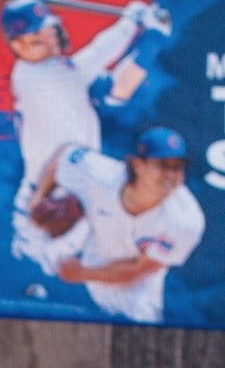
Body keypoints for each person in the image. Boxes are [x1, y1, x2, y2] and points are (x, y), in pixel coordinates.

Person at [0, 0, 165, 275]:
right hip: (45, 204)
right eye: (35, 37)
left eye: (47, 31)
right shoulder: (35, 77)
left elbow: (118, 86)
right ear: (17, 46)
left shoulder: (61, 72)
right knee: (40, 274)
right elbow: (97, 56)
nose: (47, 40)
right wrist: (132, 25)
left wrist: (148, 35)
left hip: (79, 198)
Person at [33, 125, 205, 323]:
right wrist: (37, 199)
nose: (171, 175)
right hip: (86, 262)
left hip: (135, 295)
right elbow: (65, 156)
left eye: (177, 167)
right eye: (163, 165)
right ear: (137, 165)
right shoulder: (102, 176)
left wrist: (82, 273)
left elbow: (141, 269)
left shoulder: (183, 220)